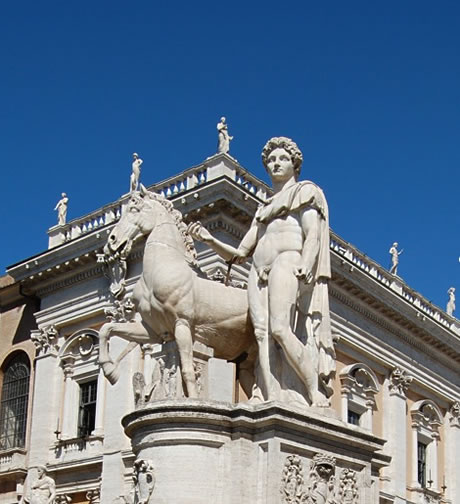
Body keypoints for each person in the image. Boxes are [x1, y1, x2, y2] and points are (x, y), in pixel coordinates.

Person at [188, 137, 335, 406]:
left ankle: (315, 392)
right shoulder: (263, 209)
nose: (275, 164)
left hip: (288, 261)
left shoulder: (305, 192)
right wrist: (210, 240)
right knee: (261, 336)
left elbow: (313, 233)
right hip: (258, 271)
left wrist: (307, 261)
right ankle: (271, 396)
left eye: (282, 159)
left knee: (279, 329)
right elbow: (241, 253)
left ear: (295, 165)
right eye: (271, 160)